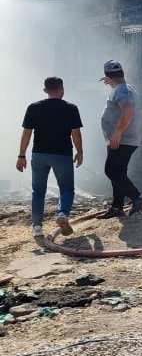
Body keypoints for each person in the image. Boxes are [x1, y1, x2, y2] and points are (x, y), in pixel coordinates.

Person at [17, 76, 83, 238]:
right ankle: (62, 214)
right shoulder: (71, 108)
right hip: (62, 155)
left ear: (45, 90)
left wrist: (21, 155)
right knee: (66, 189)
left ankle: (37, 227)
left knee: (38, 191)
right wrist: (80, 152)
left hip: (39, 155)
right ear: (62, 89)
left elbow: (26, 133)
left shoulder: (33, 107)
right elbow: (76, 133)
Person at [97, 60, 142, 219]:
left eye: (107, 78)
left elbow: (127, 111)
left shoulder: (122, 91)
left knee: (111, 171)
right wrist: (110, 81)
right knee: (118, 172)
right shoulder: (123, 88)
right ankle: (117, 206)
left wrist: (117, 133)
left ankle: (138, 197)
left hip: (123, 139)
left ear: (108, 76)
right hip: (121, 139)